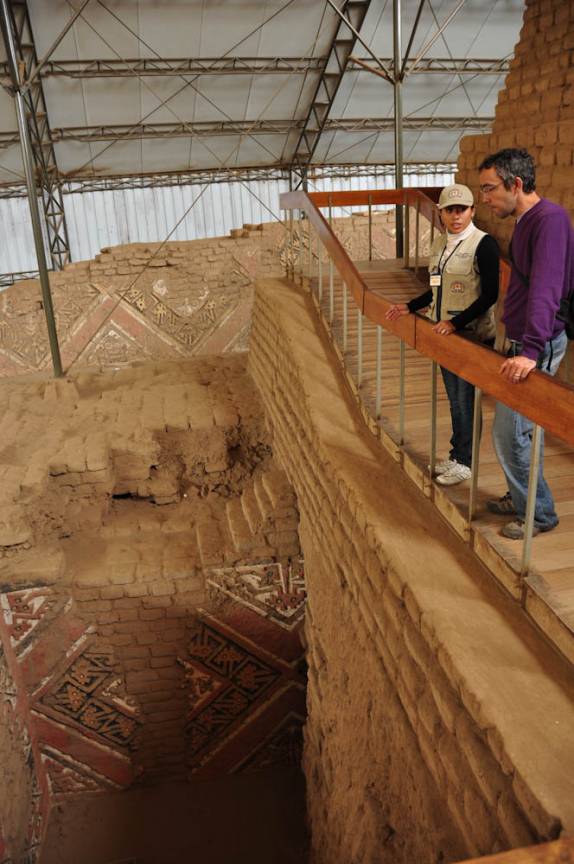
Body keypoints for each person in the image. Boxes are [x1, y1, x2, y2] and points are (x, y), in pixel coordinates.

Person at [478, 148, 573, 539]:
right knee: (520, 430)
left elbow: (547, 291)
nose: (484, 198)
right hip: (522, 340)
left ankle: (539, 514)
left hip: (537, 345)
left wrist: (531, 350)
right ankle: (522, 497)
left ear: (516, 184)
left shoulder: (548, 221)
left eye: (489, 188)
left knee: (509, 431)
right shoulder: (528, 220)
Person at [386, 183, 499, 486]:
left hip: (470, 336)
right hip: (444, 335)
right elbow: (435, 287)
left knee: (465, 400)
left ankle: (466, 462)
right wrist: (410, 306)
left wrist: (455, 323)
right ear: (441, 214)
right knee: (454, 400)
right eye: (450, 210)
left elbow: (490, 294)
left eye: (461, 209)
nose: (456, 215)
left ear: (472, 211)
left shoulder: (483, 244)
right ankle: (457, 455)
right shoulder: (439, 245)